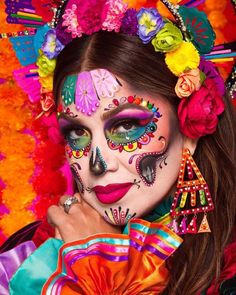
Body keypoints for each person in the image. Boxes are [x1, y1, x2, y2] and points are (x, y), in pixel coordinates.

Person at [0, 0, 236, 294]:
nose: (97, 164)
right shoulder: (27, 259)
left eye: (125, 127)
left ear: (190, 125)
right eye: (77, 133)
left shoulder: (229, 271)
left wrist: (100, 269)